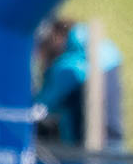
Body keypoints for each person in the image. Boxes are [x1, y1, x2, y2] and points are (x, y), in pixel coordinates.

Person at [34, 19, 124, 149]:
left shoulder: (66, 68)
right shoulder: (104, 49)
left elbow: (40, 108)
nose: (38, 59)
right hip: (113, 145)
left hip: (84, 152)